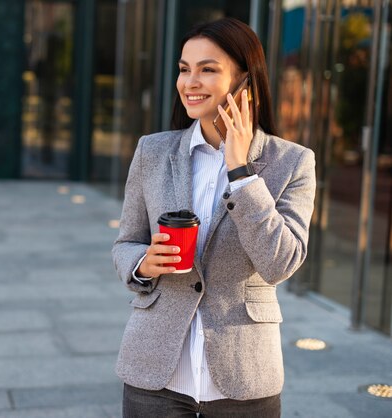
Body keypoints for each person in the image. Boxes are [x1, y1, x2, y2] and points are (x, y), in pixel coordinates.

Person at [112, 17, 316, 418]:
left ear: (245, 82)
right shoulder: (152, 152)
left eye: (208, 70)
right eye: (184, 70)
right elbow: (125, 242)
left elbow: (280, 263)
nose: (190, 82)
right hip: (154, 374)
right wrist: (141, 263)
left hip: (244, 378)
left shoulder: (292, 162)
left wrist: (241, 172)